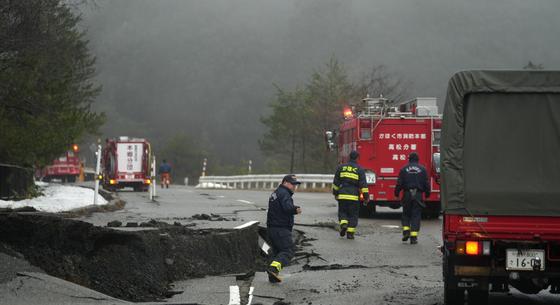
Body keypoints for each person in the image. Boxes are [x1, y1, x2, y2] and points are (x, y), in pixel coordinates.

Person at [266, 174, 302, 283]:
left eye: (295, 185)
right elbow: (287, 208)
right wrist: (295, 209)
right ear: (285, 182)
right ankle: (273, 269)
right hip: (281, 228)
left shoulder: (276, 193)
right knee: (288, 251)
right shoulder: (285, 193)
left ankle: (273, 275)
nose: (294, 187)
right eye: (292, 184)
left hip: (272, 228)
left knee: (277, 253)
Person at [394, 152, 431, 245]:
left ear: (409, 159)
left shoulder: (404, 169)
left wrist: (397, 192)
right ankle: (413, 237)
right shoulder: (423, 169)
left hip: (407, 194)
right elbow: (426, 183)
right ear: (418, 160)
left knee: (406, 214)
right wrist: (427, 193)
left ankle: (406, 231)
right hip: (418, 195)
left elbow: (399, 183)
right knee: (416, 215)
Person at [332, 150, 369, 240]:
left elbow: (336, 183)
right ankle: (350, 233)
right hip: (353, 196)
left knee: (342, 212)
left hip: (343, 195)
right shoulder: (359, 169)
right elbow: (363, 185)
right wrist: (366, 197)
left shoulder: (341, 167)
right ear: (357, 158)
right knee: (353, 215)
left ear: (349, 157)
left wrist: (336, 193)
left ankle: (344, 224)